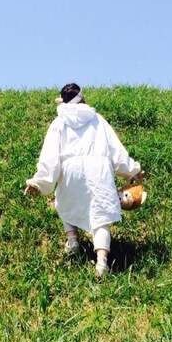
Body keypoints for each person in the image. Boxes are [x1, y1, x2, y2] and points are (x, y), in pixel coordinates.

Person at [24, 83, 143, 278]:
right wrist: (133, 171)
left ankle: (73, 241)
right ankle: (102, 264)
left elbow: (50, 157)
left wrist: (39, 182)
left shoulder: (59, 123)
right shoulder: (97, 120)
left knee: (66, 202)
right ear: (83, 98)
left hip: (71, 173)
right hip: (99, 173)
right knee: (100, 217)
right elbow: (116, 151)